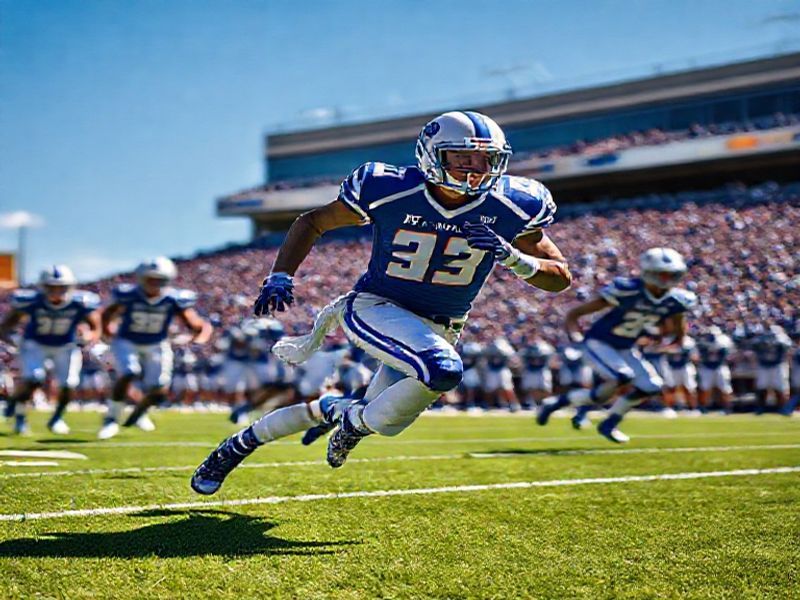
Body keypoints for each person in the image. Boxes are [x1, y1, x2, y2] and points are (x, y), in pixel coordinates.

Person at [191, 110, 571, 495]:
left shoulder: (514, 203)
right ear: (432, 155)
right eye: (462, 158)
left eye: (485, 159)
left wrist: (513, 258)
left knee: (385, 422)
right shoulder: (388, 187)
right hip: (376, 306)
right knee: (442, 371)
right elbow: (313, 222)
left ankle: (246, 441)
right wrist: (281, 274)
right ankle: (351, 425)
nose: (475, 169)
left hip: (441, 326)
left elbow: (560, 277)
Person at [537, 248, 696, 443]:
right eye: (661, 274)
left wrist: (667, 341)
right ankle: (557, 404)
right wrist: (575, 337)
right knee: (621, 378)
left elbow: (676, 329)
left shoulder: (677, 300)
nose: (665, 280)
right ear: (648, 272)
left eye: (671, 275)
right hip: (599, 342)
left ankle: (608, 422)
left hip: (626, 347)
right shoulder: (627, 290)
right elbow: (574, 314)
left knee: (651, 386)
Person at [98, 257, 212, 439]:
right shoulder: (128, 295)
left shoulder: (173, 298)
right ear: (141, 278)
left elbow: (196, 324)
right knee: (128, 372)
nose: (155, 283)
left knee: (158, 387)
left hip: (156, 342)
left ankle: (140, 413)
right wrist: (106, 332)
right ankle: (112, 417)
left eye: (159, 279)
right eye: (151, 279)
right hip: (127, 340)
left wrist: (197, 337)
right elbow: (106, 314)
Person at [0, 265, 101, 435]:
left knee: (68, 385)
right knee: (34, 379)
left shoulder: (80, 302)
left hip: (66, 345)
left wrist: (89, 336)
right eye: (52, 287)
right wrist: (9, 340)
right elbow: (6, 325)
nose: (57, 292)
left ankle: (57, 418)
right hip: (35, 344)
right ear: (43, 287)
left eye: (61, 287)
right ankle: (20, 416)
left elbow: (95, 327)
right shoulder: (31, 301)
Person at [696, 326, 734, 413]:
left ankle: (728, 408)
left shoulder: (723, 342)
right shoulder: (702, 343)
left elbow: (727, 354)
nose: (711, 336)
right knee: (705, 388)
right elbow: (700, 353)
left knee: (725, 388)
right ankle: (703, 407)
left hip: (720, 366)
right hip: (706, 367)